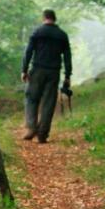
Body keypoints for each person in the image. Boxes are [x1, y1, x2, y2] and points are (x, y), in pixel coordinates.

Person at [21, 9, 72, 143]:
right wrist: (67, 75)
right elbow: (67, 56)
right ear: (54, 19)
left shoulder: (37, 32)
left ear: (44, 18)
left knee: (31, 98)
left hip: (37, 70)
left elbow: (28, 51)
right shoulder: (62, 35)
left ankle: (31, 127)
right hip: (53, 72)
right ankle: (42, 134)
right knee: (48, 103)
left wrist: (24, 70)